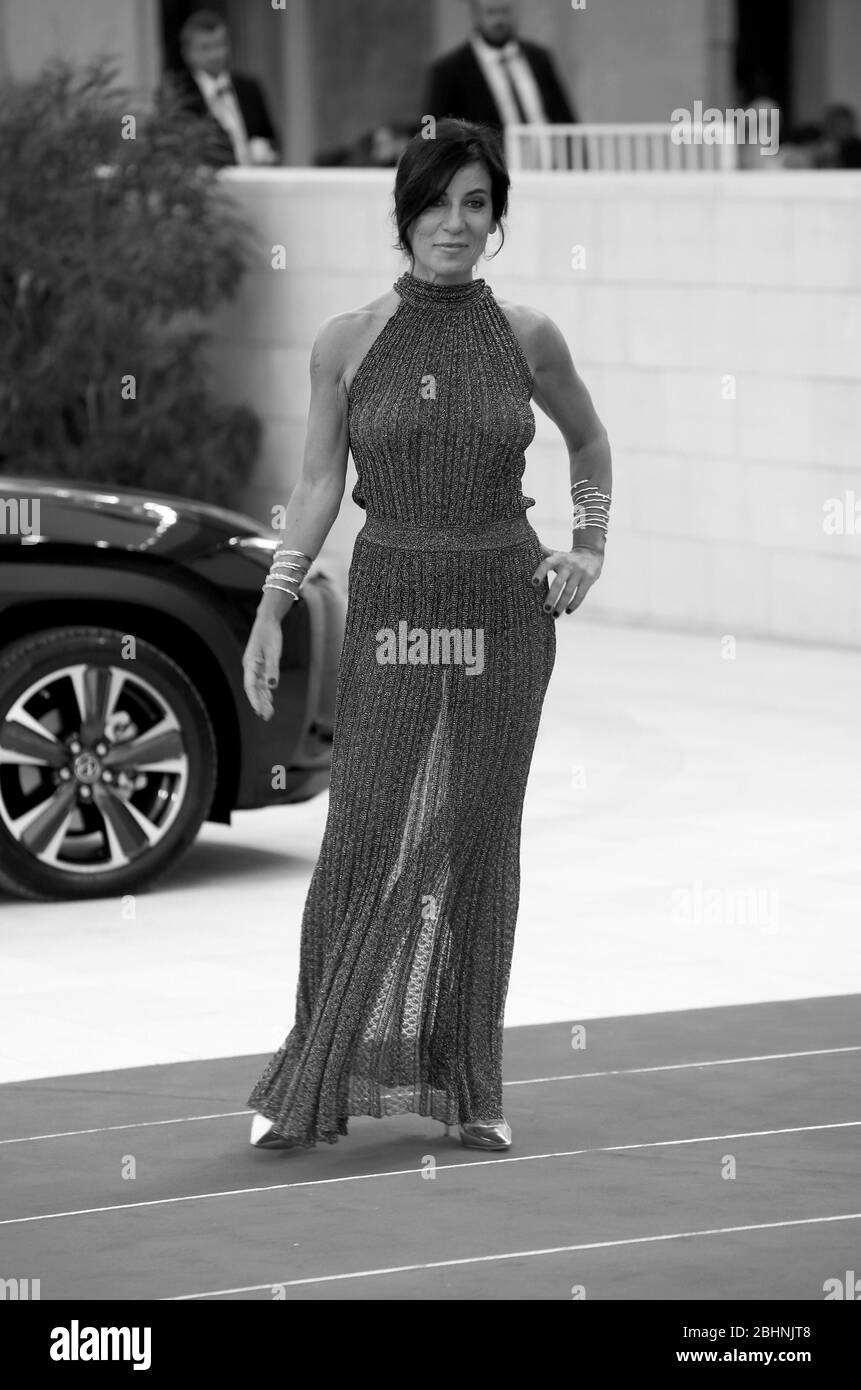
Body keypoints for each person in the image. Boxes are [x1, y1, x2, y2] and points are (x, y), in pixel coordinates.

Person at [241, 118, 612, 1153]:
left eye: (477, 204)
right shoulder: (347, 340)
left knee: (477, 850)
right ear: (403, 212)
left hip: (505, 605)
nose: (455, 223)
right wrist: (272, 603)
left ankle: (469, 1087)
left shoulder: (528, 335)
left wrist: (587, 548)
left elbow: (589, 437)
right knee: (363, 839)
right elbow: (317, 487)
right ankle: (316, 1075)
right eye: (438, 202)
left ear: (497, 220)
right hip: (397, 601)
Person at [423, 0, 578, 134]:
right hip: (493, 164)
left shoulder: (539, 58)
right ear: (476, 15)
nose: (499, 20)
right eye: (491, 12)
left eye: (504, 11)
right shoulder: (449, 70)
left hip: (549, 164)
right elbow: (434, 129)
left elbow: (565, 118)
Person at [163, 8, 280, 168]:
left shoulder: (249, 88)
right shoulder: (178, 96)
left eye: (220, 45)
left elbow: (271, 139)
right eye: (206, 48)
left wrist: (266, 151)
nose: (215, 54)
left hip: (255, 182)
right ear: (187, 53)